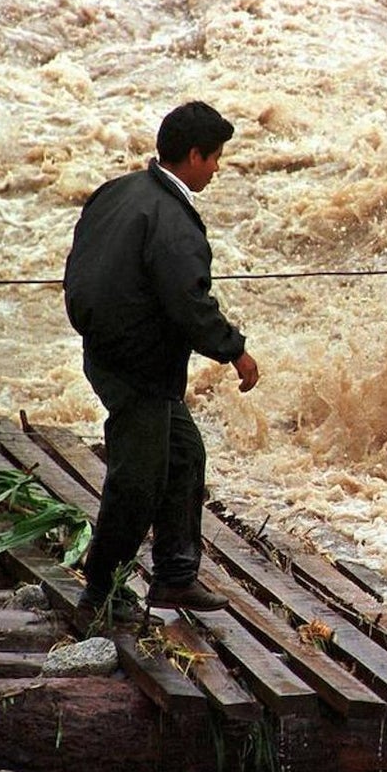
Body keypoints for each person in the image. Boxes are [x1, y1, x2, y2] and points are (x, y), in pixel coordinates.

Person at [63, 101, 259, 624]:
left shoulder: (118, 191)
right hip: (139, 369)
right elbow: (189, 304)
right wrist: (235, 350)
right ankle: (99, 592)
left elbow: (80, 265)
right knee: (138, 480)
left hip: (106, 352)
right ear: (193, 156)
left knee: (185, 454)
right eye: (215, 158)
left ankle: (174, 576)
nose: (217, 169)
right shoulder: (174, 223)